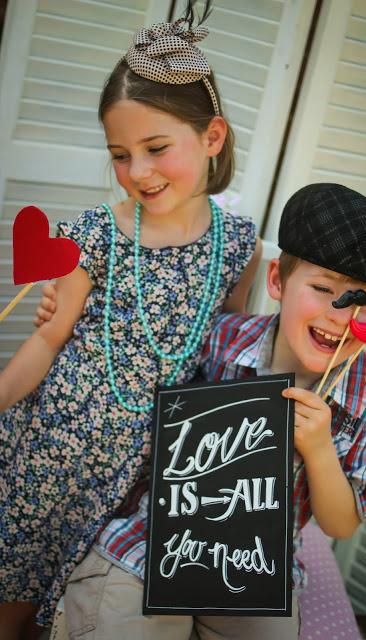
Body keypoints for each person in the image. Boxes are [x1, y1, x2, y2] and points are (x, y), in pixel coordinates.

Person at [35, 183, 366, 640]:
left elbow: (340, 523)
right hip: (154, 541)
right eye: (323, 288)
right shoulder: (221, 338)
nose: (340, 319)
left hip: (258, 567)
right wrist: (64, 311)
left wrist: (318, 450)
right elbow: (135, 350)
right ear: (277, 280)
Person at [0, 3, 262, 638]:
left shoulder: (239, 246)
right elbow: (47, 337)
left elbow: (227, 359)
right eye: (120, 155)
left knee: (80, 602)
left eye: (155, 148)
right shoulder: (95, 232)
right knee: (16, 584)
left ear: (212, 138)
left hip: (143, 467)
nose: (137, 172)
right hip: (53, 446)